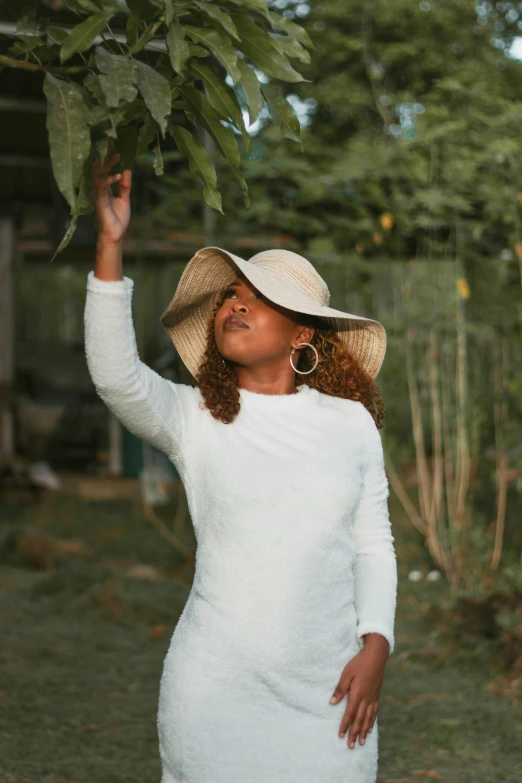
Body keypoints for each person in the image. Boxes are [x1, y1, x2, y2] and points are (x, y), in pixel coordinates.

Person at [85, 140, 397, 783]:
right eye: (230, 294)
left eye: (258, 296)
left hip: (330, 698)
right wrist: (110, 245)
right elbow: (116, 379)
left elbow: (374, 545)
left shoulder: (350, 424)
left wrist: (378, 645)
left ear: (304, 331)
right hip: (214, 692)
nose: (235, 303)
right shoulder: (196, 418)